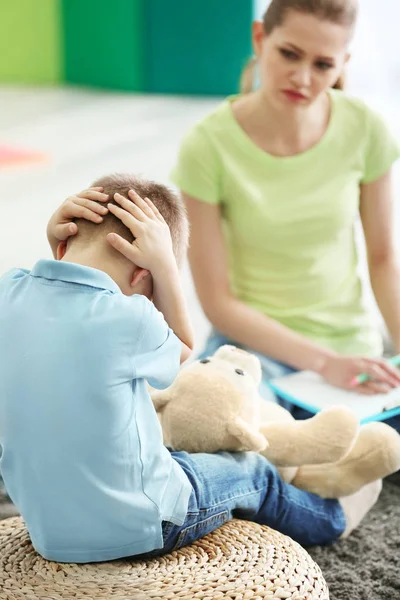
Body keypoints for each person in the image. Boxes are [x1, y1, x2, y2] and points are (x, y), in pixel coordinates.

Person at [0, 174, 381, 564]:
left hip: (48, 531)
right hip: (143, 525)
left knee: (169, 450)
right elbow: (182, 350)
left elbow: (54, 300)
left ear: (62, 242)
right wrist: (166, 267)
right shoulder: (128, 318)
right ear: (141, 276)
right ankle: (331, 518)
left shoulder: (7, 290)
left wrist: (56, 244)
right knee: (251, 470)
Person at [170, 0, 400, 431]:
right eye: (289, 54)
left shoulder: (366, 128)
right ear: (260, 39)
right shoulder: (207, 145)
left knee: (330, 446)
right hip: (251, 354)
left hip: (353, 352)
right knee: (221, 423)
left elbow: (384, 259)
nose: (303, 77)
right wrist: (324, 363)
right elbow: (217, 302)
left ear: (342, 64)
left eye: (323, 64)